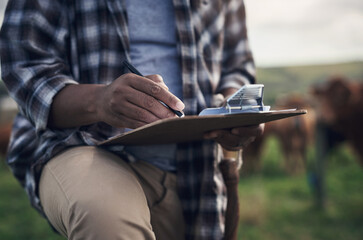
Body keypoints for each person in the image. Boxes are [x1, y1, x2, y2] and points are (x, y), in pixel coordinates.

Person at [0, 0, 263, 239]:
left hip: (198, 167)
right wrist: (98, 100)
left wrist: (235, 110)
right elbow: (23, 62)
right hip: (83, 146)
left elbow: (237, 66)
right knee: (103, 215)